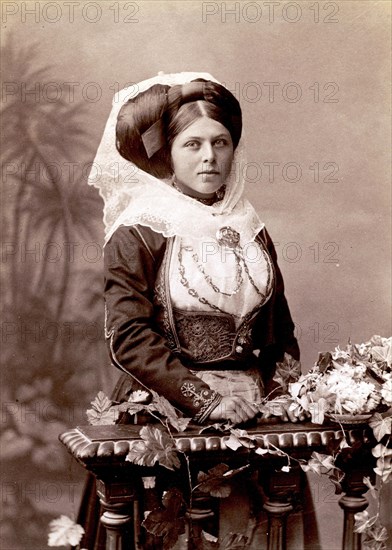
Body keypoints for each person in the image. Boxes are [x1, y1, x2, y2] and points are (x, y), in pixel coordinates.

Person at [79, 72, 312, 549]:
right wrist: (206, 400)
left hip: (254, 418)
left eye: (220, 142)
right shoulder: (139, 231)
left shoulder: (251, 228)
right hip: (171, 414)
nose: (210, 157)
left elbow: (280, 331)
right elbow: (128, 337)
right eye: (193, 144)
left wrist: (282, 395)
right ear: (168, 153)